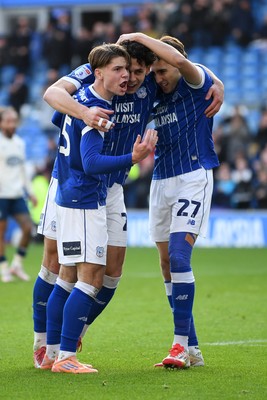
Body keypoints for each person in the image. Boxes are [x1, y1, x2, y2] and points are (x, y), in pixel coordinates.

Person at [33, 39, 224, 368]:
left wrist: (216, 81)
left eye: (137, 71)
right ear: (105, 70)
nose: (130, 77)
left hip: (111, 186)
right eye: (122, 70)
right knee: (59, 266)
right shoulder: (94, 84)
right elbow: (53, 95)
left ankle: (72, 337)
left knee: (111, 272)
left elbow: (182, 66)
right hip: (72, 181)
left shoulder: (148, 86)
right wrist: (86, 113)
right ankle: (47, 347)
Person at [40, 42, 158, 373]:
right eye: (119, 70)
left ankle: (53, 352)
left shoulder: (85, 103)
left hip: (75, 194)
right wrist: (133, 157)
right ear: (99, 73)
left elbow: (64, 125)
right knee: (89, 277)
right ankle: (65, 355)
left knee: (68, 277)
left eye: (130, 70)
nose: (126, 77)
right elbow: (91, 163)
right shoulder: (95, 109)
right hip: (85, 195)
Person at [117, 32, 220, 369]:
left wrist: (134, 35)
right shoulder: (150, 93)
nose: (158, 78)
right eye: (154, 73)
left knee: (179, 255)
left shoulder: (194, 82)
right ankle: (193, 349)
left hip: (194, 176)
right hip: (161, 181)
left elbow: (179, 60)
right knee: (165, 264)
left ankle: (177, 346)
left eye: (163, 71)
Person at [0, 107, 37, 283]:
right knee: (1, 234)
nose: (12, 125)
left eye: (14, 121)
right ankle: (4, 268)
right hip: (1, 196)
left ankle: (17, 264)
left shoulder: (20, 143)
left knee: (28, 229)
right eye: (8, 121)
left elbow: (22, 171)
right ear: (1, 123)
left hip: (16, 194)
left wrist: (30, 192)